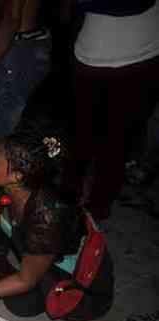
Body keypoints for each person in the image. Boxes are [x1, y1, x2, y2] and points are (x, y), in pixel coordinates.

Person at [0, 127, 114, 319]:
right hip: (31, 242)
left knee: (22, 304)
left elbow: (25, 280)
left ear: (17, 176)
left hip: (73, 278)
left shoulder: (47, 218)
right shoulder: (4, 184)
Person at [60, 1, 159, 222]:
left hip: (138, 58)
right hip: (87, 53)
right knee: (79, 136)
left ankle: (97, 209)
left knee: (115, 141)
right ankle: (64, 203)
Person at [0, 0, 51, 148]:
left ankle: (8, 167)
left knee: (4, 131)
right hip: (34, 42)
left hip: (18, 48)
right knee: (22, 124)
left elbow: (11, 19)